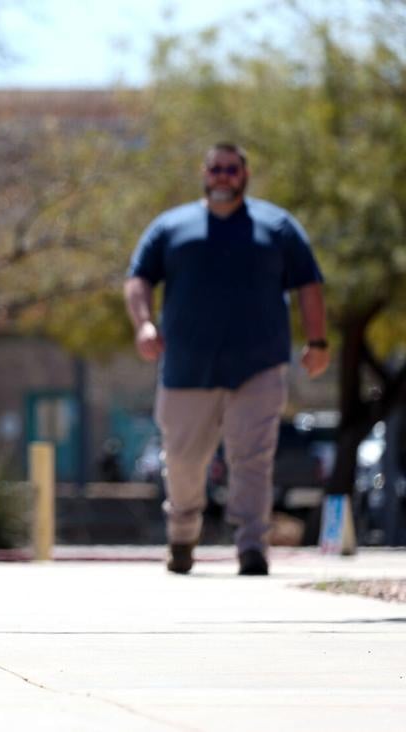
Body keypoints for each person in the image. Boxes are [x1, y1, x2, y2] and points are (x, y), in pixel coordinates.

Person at [124, 142, 329, 576]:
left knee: (252, 458)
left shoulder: (277, 226)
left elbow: (308, 284)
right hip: (186, 370)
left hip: (259, 367)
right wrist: (144, 324)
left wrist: (318, 341)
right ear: (204, 172)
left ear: (244, 174)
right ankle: (182, 535)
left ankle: (252, 546)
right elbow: (138, 277)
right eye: (215, 168)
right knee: (182, 461)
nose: (222, 176)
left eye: (231, 169)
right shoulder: (171, 227)